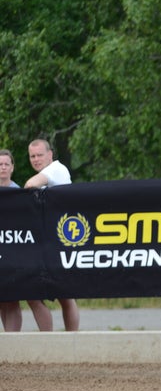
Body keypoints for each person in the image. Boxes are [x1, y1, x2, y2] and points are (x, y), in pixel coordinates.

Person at [24, 139, 80, 331]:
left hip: (60, 241)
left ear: (50, 154)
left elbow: (30, 185)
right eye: (32, 156)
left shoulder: (57, 169)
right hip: (46, 241)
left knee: (65, 296)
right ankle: (49, 339)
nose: (36, 159)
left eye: (40, 155)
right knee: (33, 293)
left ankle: (71, 342)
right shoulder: (49, 173)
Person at [0, 149, 25, 331]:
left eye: (6, 164)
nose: (2, 168)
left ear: (12, 167)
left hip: (13, 252)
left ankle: (14, 340)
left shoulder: (18, 193)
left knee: (12, 299)